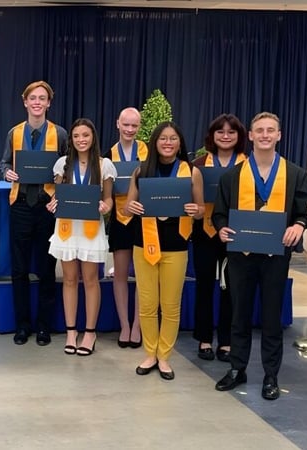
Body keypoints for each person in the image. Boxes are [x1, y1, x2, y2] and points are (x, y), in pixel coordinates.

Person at [213, 112, 307, 400]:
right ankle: (237, 369)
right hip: (242, 257)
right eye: (260, 130)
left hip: (275, 257)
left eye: (271, 130)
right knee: (239, 314)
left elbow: (305, 212)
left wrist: (298, 225)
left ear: (279, 135)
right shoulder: (233, 176)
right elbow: (219, 213)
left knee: (271, 318)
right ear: (251, 136)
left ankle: (271, 375)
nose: (265, 135)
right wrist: (221, 229)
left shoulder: (294, 174)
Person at [124, 121, 204, 380]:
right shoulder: (141, 170)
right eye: (163, 138)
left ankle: (164, 356)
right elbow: (126, 208)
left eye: (173, 138)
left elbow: (201, 210)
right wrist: (132, 208)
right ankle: (149, 353)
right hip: (144, 244)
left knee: (170, 306)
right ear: (155, 141)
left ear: (180, 143)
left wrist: (196, 210)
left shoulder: (191, 172)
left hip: (176, 246)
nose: (168, 143)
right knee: (147, 305)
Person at [0, 81, 67, 346]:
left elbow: (69, 169)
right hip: (20, 206)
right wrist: (7, 172)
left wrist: (59, 197)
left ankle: (44, 326)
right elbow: (4, 162)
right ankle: (22, 325)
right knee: (19, 270)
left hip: (46, 207)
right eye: (33, 98)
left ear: (49, 103)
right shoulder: (14, 133)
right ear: (25, 102)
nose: (37, 102)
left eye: (42, 98)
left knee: (47, 269)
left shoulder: (60, 134)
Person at [46, 118, 115, 356]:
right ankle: (71, 331)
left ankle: (90, 332)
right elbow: (57, 196)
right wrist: (53, 204)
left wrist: (106, 207)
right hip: (67, 228)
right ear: (71, 139)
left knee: (91, 280)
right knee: (69, 280)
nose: (81, 140)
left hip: (91, 229)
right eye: (76, 136)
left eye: (85, 135)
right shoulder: (62, 164)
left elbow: (109, 199)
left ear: (93, 137)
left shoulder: (104, 165)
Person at [191, 114, 248, 362]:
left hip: (236, 234)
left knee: (231, 288)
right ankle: (204, 338)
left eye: (231, 132)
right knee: (204, 286)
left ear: (239, 136)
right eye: (220, 132)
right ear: (212, 135)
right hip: (205, 231)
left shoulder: (249, 164)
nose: (225, 136)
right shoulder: (199, 164)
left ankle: (226, 340)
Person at [105, 107, 148, 349]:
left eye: (134, 125)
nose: (130, 129)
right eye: (126, 125)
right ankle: (124, 325)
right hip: (120, 219)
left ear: (139, 127)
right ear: (117, 124)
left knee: (143, 276)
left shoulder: (148, 152)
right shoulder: (108, 155)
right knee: (120, 274)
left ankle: (138, 325)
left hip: (143, 219)